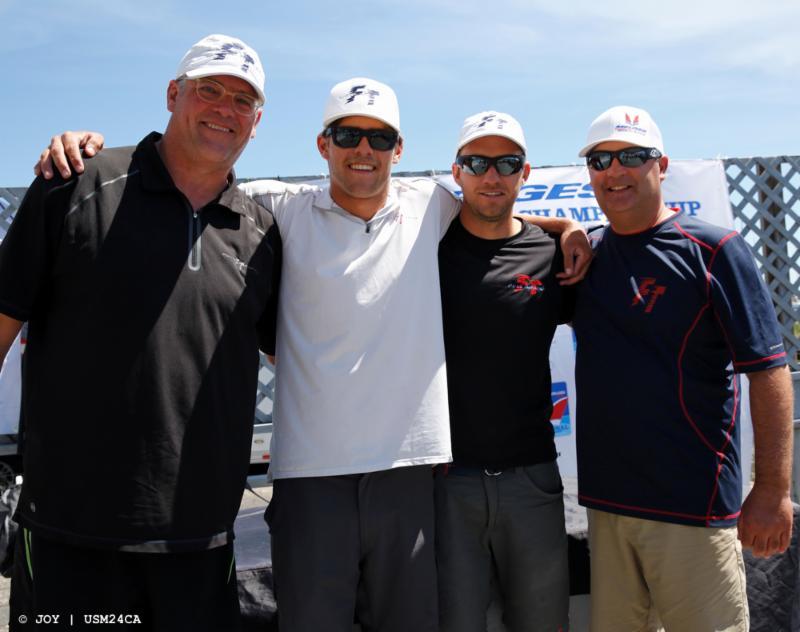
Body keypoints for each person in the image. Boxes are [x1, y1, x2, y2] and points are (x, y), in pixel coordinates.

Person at [34, 80, 592, 632]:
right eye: (348, 135)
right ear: (323, 145)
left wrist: (566, 226)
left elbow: (494, 211)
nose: (363, 151)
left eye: (379, 138)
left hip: (409, 474)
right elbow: (189, 177)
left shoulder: (431, 204)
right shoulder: (276, 205)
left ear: (399, 150)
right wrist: (96, 156)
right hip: (310, 477)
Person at [0, 34, 281, 631]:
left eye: (242, 100)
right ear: (174, 94)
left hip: (200, 542)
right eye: (210, 89)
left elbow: (305, 357)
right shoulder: (74, 184)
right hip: (71, 534)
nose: (224, 109)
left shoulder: (261, 233)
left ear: (256, 124)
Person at [572, 105, 794, 632]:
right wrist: (563, 227)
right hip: (608, 509)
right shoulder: (591, 255)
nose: (615, 170)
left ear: (661, 164)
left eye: (632, 156)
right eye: (601, 159)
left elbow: (768, 371)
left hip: (691, 507)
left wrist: (773, 489)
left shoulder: (714, 250)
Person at [435, 111, 571, 632]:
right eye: (477, 163)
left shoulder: (553, 252)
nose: (491, 176)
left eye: (506, 163)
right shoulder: (427, 249)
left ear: (525, 172)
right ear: (457, 171)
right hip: (448, 482)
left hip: (532, 479)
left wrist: (571, 226)